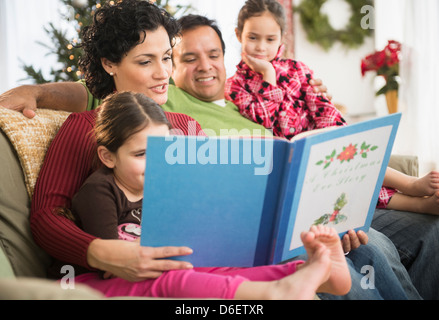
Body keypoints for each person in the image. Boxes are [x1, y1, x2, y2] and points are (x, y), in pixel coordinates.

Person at [0, 3, 418, 299]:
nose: (163, 73)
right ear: (110, 64)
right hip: (141, 265)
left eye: (166, 58)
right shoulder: (85, 127)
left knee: (357, 248)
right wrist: (99, 250)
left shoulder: (186, 124)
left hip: (219, 250)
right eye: (146, 62)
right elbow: (45, 217)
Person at [67, 90, 352, 299]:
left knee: (220, 269)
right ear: (108, 156)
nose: (155, 163)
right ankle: (275, 293)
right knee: (177, 279)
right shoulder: (99, 191)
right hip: (98, 284)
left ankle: (320, 275)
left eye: (162, 151)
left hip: (167, 270)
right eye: (141, 154)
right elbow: (113, 264)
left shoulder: (168, 183)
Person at [224, 0, 439, 215]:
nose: (261, 46)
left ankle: (412, 187)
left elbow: (320, 105)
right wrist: (269, 76)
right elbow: (267, 122)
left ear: (282, 38)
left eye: (270, 39)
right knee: (345, 176)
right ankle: (416, 199)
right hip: (291, 161)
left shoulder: (297, 69)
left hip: (323, 140)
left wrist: (338, 130)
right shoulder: (234, 85)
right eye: (253, 38)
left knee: (354, 159)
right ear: (238, 34)